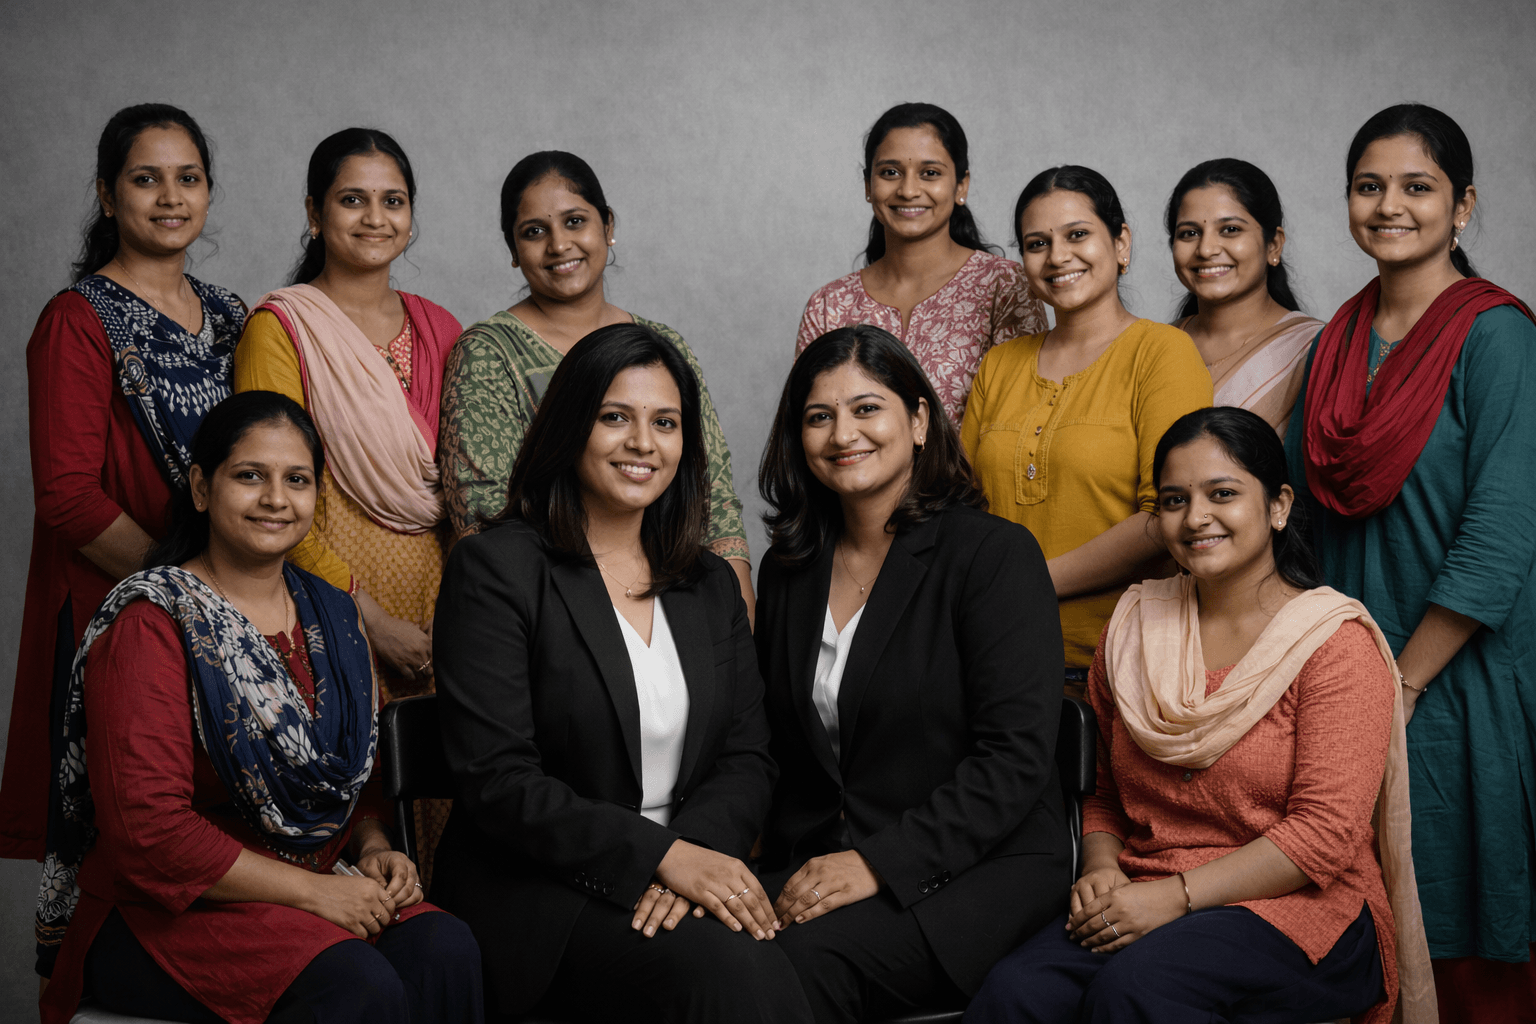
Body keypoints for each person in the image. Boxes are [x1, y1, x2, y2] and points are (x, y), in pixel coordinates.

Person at [967, 406, 1434, 1024]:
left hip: (1302, 907)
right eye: (1173, 500)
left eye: (1223, 494)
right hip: (1144, 887)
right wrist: (1103, 868)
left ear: (1278, 506)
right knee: (1014, 993)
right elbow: (1105, 792)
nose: (1196, 518)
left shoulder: (1332, 644)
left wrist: (1175, 900)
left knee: (1140, 989)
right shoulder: (1135, 627)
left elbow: (1322, 838)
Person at [37, 391, 481, 1024]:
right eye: (250, 476)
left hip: (321, 882)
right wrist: (315, 894)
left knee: (445, 949)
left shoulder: (335, 614)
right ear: (200, 487)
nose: (276, 498)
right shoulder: (154, 624)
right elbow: (150, 835)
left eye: (297, 480)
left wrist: (376, 844)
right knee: (356, 986)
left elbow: (355, 782)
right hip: (170, 910)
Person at [432, 323, 813, 1023]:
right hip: (542, 891)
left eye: (665, 423)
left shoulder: (706, 583)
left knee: (788, 959)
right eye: (616, 418)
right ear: (571, 425)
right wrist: (660, 857)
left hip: (685, 874)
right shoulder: (497, 570)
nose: (644, 443)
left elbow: (746, 755)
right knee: (732, 972)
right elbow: (499, 779)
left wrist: (690, 858)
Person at [1285, 103, 1536, 1023]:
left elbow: (1502, 537)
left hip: (1454, 677)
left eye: (1417, 187)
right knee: (1356, 917)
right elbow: (1296, 517)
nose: (1390, 205)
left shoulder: (1497, 336)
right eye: (1369, 186)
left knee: (1459, 908)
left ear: (1462, 205)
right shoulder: (1336, 341)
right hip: (1349, 670)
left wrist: (1402, 684)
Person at [755, 325, 1069, 1023]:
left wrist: (875, 864)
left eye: (867, 408)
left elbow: (1014, 760)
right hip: (822, 857)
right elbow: (770, 746)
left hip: (979, 871)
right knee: (693, 952)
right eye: (818, 416)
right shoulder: (788, 571)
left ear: (920, 420)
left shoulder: (992, 556)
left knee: (796, 967)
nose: (844, 434)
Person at [2, 103, 245, 861]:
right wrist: (182, 594)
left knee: (216, 830)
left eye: (188, 178)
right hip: (120, 611)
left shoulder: (231, 316)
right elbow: (67, 497)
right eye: (146, 179)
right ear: (108, 195)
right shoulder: (77, 320)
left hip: (223, 607)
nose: (171, 198)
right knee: (128, 835)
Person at [233, 128, 462, 886]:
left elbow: (461, 494)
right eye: (352, 199)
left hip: (443, 597)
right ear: (314, 212)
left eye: (392, 201)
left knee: (453, 798)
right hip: (324, 594)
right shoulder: (282, 329)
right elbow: (271, 500)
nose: (374, 217)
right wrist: (366, 616)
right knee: (358, 811)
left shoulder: (443, 330)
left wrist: (463, 617)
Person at [438, 150, 756, 617]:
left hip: (673, 591)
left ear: (607, 226)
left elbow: (712, 488)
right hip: (549, 603)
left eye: (574, 222)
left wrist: (737, 601)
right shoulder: (489, 352)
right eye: (534, 231)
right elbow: (483, 513)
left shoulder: (662, 347)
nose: (559, 245)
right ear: (512, 249)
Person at [961, 166, 1211, 697]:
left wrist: (1023, 584)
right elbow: (960, 508)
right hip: (990, 657)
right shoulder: (1000, 365)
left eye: (1077, 235)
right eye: (1037, 243)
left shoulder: (1162, 354)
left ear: (1120, 243)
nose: (1057, 257)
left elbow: (1168, 513)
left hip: (1114, 664)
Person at [795, 103, 1046, 425]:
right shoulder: (828, 306)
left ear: (961, 185)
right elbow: (807, 427)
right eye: (890, 172)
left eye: (930, 173)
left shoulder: (1004, 287)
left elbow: (1019, 426)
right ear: (868, 186)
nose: (909, 190)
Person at [1164, 159, 1324, 434]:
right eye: (1189, 233)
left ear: (1274, 244)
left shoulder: (1314, 349)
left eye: (1230, 230)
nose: (1206, 249)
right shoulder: (1154, 346)